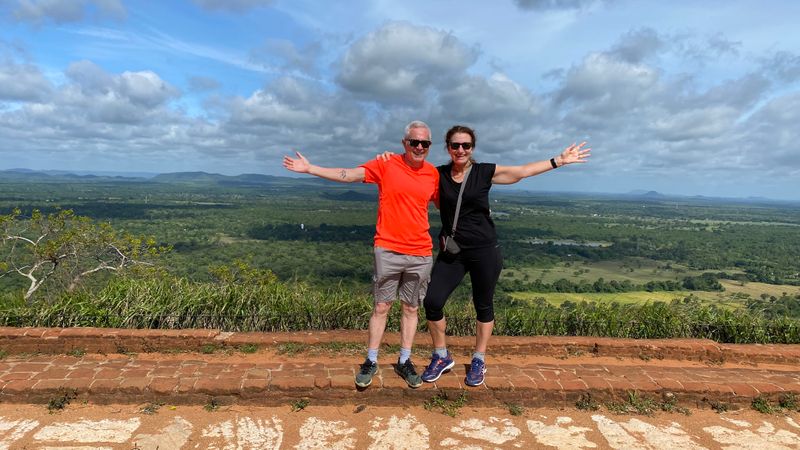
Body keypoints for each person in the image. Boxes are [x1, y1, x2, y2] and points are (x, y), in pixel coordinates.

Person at [420, 125, 590, 387]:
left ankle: (478, 358)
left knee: (483, 305)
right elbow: (410, 174)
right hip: (452, 251)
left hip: (484, 250)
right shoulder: (438, 174)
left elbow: (520, 172)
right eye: (455, 146)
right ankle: (441, 355)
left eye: (466, 145)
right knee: (432, 301)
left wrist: (559, 160)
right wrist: (390, 158)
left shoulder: (483, 171)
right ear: (448, 148)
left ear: (472, 148)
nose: (461, 150)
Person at [282, 121, 439, 389]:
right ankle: (371, 359)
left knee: (411, 308)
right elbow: (350, 174)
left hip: (420, 251)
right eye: (415, 142)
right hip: (388, 247)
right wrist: (311, 169)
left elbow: (450, 201)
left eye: (425, 143)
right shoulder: (386, 164)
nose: (420, 147)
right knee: (381, 306)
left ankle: (404, 359)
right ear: (405, 143)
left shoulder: (433, 174)